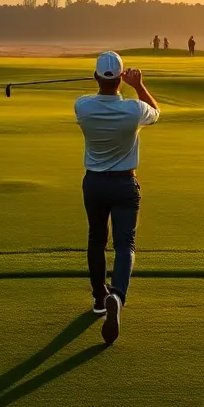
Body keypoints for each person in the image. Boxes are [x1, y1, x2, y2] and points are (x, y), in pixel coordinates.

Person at [74, 51, 160, 345]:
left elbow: (93, 97)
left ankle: (100, 299)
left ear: (97, 77)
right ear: (120, 79)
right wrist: (138, 85)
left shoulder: (82, 107)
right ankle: (117, 296)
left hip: (94, 183)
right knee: (125, 245)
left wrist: (107, 84)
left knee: (96, 239)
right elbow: (156, 113)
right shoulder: (134, 110)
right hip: (125, 183)